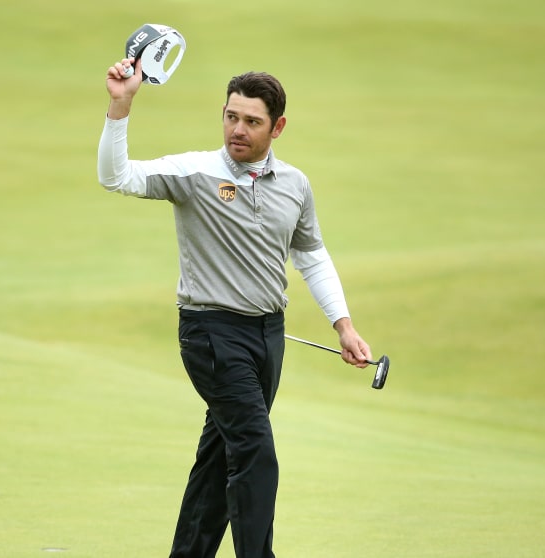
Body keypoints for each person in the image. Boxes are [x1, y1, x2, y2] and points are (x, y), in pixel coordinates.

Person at [97, 57, 374, 558]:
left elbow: (311, 256)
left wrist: (344, 325)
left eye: (251, 121)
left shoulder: (295, 184)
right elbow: (117, 177)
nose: (237, 130)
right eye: (230, 116)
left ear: (278, 127)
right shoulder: (193, 172)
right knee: (255, 451)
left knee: (220, 453)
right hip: (210, 333)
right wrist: (122, 105)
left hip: (269, 336)